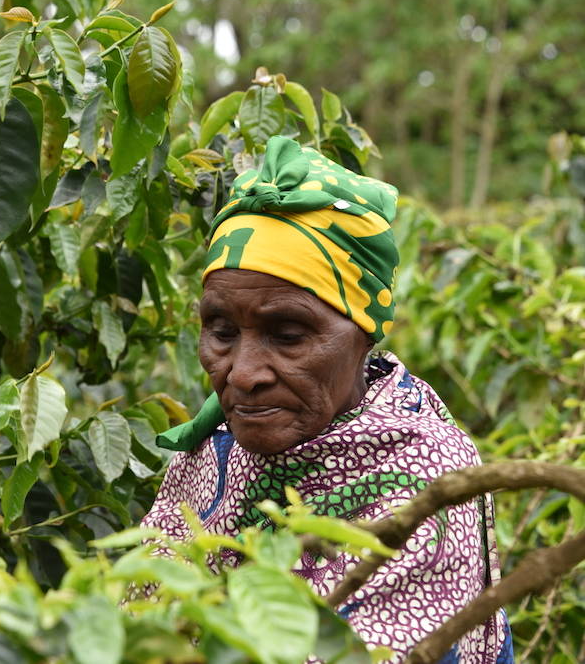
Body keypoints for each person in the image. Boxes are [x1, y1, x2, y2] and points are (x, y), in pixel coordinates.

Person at [140, 136, 514, 662]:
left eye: (288, 335)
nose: (243, 375)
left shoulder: (425, 477)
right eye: (221, 331)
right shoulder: (214, 446)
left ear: (364, 334)